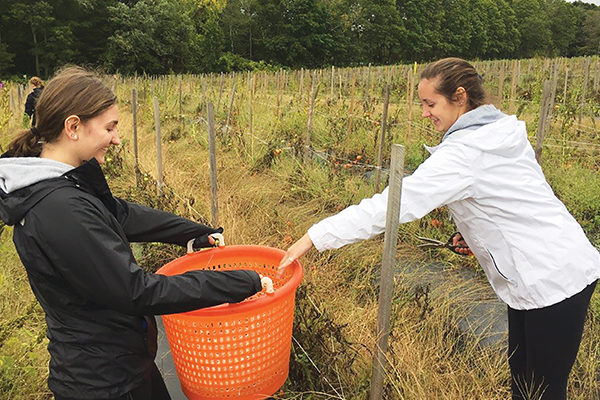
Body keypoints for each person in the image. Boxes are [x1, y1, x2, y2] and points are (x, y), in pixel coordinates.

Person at [279, 57, 600, 400]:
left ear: (459, 97)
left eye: (430, 103)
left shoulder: (464, 152)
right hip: (545, 267)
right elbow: (515, 198)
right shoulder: (496, 131)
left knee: (544, 391)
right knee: (525, 384)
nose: (424, 112)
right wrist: (479, 235)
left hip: (553, 277)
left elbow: (392, 205)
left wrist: (315, 236)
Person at [0, 66, 265, 400]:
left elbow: (117, 213)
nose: (117, 138)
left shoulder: (65, 179)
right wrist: (239, 283)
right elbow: (135, 291)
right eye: (110, 127)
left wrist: (192, 233)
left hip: (119, 359)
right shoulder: (58, 209)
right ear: (73, 127)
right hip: (102, 382)